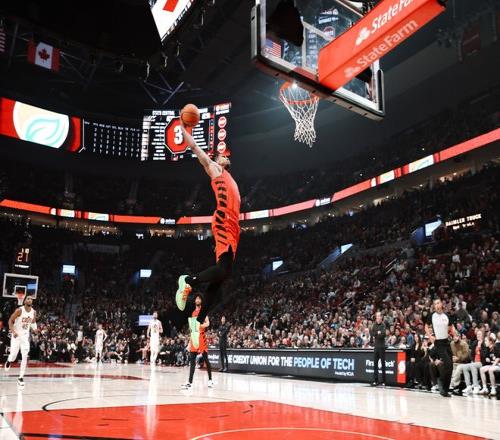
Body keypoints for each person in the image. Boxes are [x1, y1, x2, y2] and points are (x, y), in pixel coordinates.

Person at [175, 122, 241, 330]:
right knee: (222, 270)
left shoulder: (231, 178)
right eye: (221, 155)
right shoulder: (214, 169)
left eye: (226, 156)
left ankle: (199, 319)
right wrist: (184, 130)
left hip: (233, 226)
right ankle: (188, 281)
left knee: (223, 275)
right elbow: (195, 148)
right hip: (223, 221)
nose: (224, 156)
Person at [4, 295, 37, 388]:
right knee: (13, 356)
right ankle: (9, 360)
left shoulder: (34, 312)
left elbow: (33, 322)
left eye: (31, 299)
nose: (30, 300)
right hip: (16, 335)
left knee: (25, 356)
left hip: (25, 337)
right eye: (28, 298)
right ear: (24, 301)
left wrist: (35, 329)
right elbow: (10, 321)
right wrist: (13, 331)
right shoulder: (19, 310)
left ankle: (21, 377)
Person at [425, 298, 456, 397]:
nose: (437, 305)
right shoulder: (432, 316)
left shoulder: (446, 315)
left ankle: (445, 390)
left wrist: (453, 334)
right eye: (435, 304)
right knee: (448, 363)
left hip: (447, 342)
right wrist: (430, 337)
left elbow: (451, 326)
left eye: (438, 303)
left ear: (441, 304)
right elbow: (426, 326)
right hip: (438, 343)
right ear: (434, 306)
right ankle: (441, 381)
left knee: (450, 366)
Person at [182, 294, 213, 389]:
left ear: (201, 301)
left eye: (199, 298)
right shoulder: (193, 313)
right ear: (195, 301)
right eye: (196, 299)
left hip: (201, 338)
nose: (198, 300)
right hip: (194, 337)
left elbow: (208, 323)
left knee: (206, 360)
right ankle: (190, 382)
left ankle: (210, 380)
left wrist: (201, 325)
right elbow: (192, 329)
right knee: (192, 361)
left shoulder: (203, 311)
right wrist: (190, 342)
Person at [371, 311, 386, 386]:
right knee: (375, 364)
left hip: (382, 346)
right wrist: (377, 333)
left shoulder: (383, 325)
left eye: (379, 316)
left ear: (381, 317)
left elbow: (383, 335)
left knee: (383, 364)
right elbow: (372, 333)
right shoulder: (374, 325)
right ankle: (375, 380)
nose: (377, 318)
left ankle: (383, 381)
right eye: (377, 316)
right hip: (376, 346)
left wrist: (376, 334)